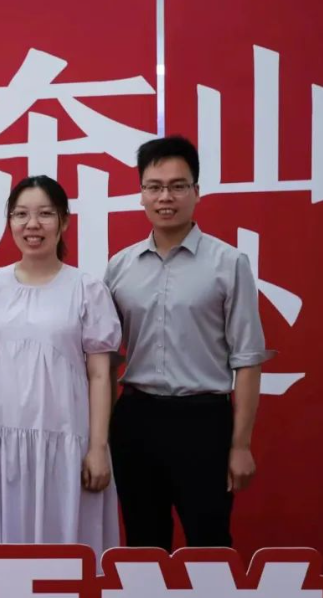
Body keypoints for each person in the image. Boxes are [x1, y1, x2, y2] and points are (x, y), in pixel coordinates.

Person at [104, 135, 274, 551]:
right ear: (141, 194)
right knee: (143, 544)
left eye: (178, 186)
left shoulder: (228, 263)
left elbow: (248, 360)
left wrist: (240, 445)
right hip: (136, 418)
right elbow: (104, 361)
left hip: (204, 422)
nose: (166, 197)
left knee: (209, 543)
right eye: (154, 187)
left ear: (196, 192)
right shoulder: (120, 267)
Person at [0, 175, 121, 556]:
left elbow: (101, 374)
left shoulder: (86, 289)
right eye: (20, 214)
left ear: (63, 221)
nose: (32, 225)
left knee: (65, 549)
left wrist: (97, 447)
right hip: (1, 439)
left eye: (45, 214)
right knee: (1, 549)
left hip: (66, 440)